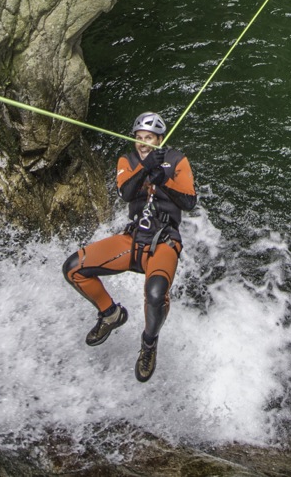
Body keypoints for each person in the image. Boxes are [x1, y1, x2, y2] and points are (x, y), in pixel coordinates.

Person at [62, 112, 198, 381]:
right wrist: (146, 169)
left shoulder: (177, 160)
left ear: (160, 138)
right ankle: (110, 314)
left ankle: (149, 343)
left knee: (156, 293)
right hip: (133, 238)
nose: (143, 143)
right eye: (138, 138)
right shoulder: (128, 160)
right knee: (73, 268)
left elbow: (189, 202)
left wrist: (164, 180)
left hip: (164, 241)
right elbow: (125, 192)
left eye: (148, 138)